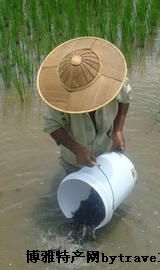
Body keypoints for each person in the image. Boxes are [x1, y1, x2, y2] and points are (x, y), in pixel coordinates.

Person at [36, 37, 132, 173]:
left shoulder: (113, 81)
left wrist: (118, 130)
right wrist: (77, 149)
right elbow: (52, 125)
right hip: (74, 160)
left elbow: (126, 97)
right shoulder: (59, 96)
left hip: (106, 150)